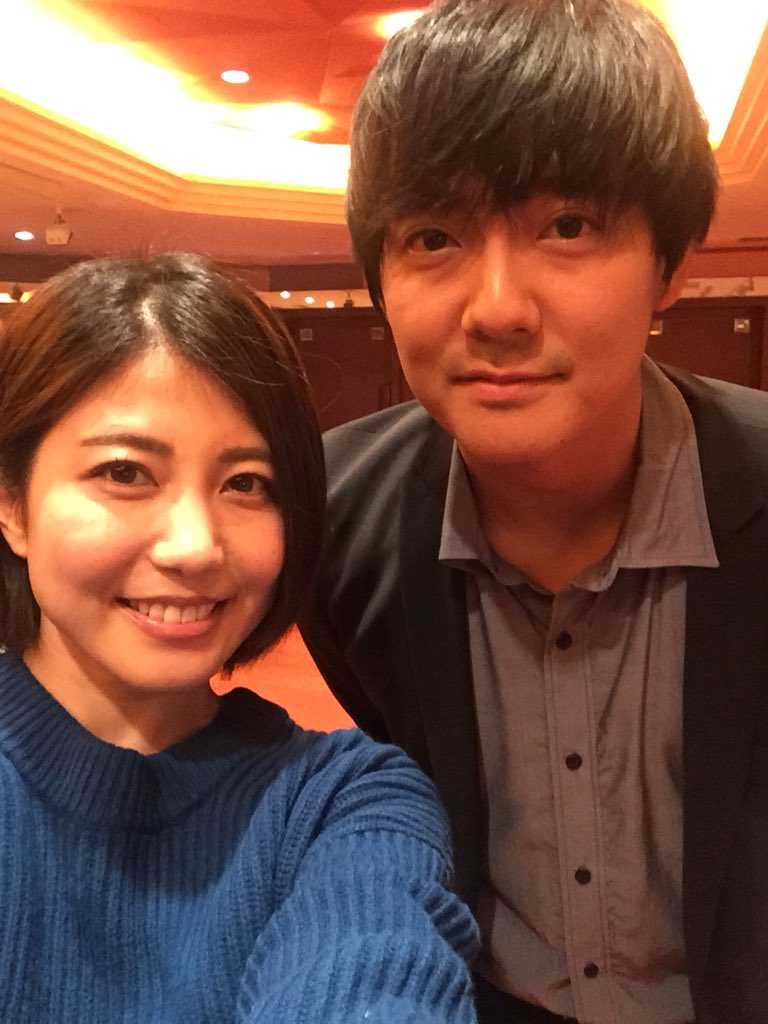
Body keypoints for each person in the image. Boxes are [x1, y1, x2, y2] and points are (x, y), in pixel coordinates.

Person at [297, 1, 768, 1022]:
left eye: (568, 226)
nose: (497, 308)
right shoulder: (328, 519)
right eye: (433, 236)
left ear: (671, 267)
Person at [0, 252, 479, 1024]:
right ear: (12, 505)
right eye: (125, 473)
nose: (195, 546)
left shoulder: (341, 802)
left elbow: (374, 968)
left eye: (246, 484)